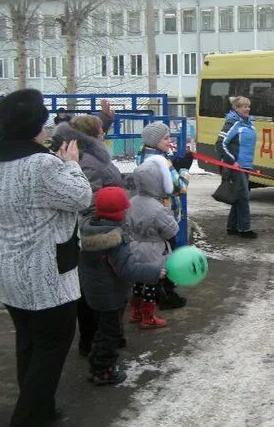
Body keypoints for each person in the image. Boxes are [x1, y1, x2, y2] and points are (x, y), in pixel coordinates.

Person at [0, 89, 92, 427]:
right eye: (43, 126)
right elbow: (82, 197)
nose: (47, 132)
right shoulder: (42, 164)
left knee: (29, 342)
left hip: (6, 268)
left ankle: (40, 407)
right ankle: (27, 419)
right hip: (42, 273)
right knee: (51, 347)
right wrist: (72, 164)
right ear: (33, 129)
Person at [52, 114, 125, 356]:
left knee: (93, 288)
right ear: (94, 134)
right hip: (95, 232)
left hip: (101, 226)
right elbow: (88, 199)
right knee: (93, 289)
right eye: (102, 130)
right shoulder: (88, 160)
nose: (105, 133)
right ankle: (92, 341)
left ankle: (99, 337)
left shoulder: (90, 154)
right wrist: (106, 219)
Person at [79, 186, 166, 384]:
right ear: (120, 213)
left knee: (102, 330)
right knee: (109, 333)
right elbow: (126, 269)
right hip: (110, 295)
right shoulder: (114, 239)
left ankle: (97, 363)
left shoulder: (90, 228)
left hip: (94, 292)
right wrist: (154, 272)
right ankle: (104, 370)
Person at [137, 121, 191, 309]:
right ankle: (166, 294)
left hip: (150, 214)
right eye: (166, 138)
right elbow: (180, 188)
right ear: (155, 140)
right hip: (164, 216)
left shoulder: (143, 154)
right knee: (168, 255)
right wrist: (184, 168)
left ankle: (157, 294)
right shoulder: (161, 160)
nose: (169, 141)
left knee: (159, 255)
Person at [127, 156, 180, 328]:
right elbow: (171, 231)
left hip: (134, 247)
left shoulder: (131, 202)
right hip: (153, 250)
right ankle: (148, 317)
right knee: (151, 282)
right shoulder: (157, 208)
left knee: (137, 281)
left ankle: (135, 311)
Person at [215, 96, 258, 238]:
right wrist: (232, 161)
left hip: (246, 166)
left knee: (239, 196)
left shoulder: (248, 124)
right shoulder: (232, 123)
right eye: (244, 106)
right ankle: (245, 229)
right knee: (244, 197)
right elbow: (220, 144)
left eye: (248, 106)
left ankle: (232, 227)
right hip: (235, 167)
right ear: (236, 108)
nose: (247, 109)